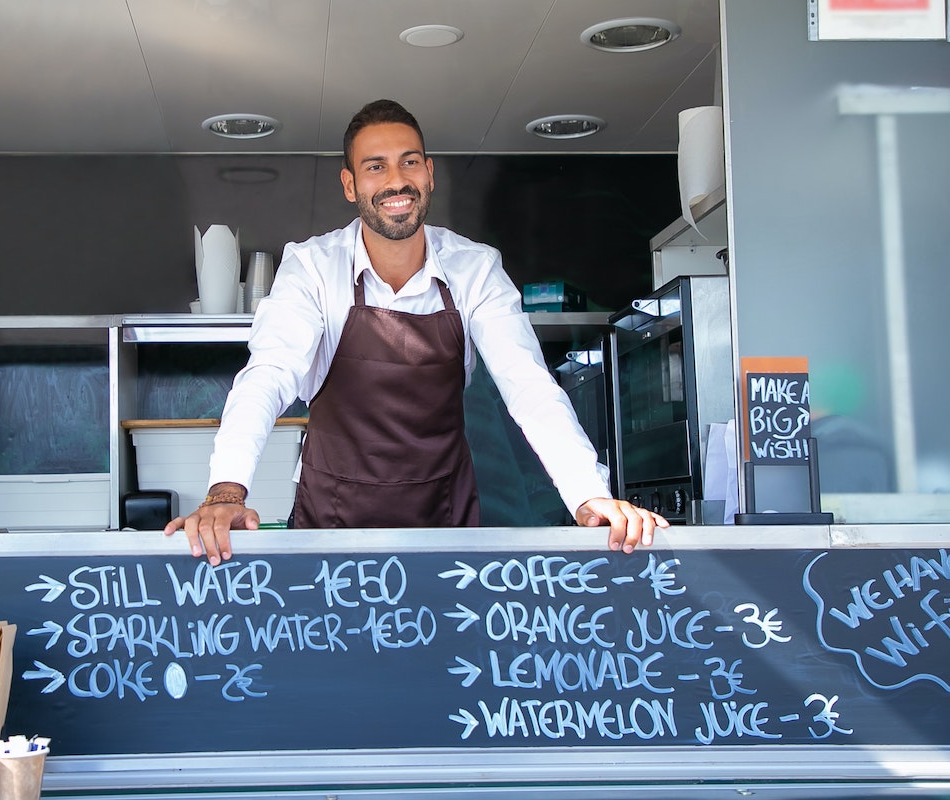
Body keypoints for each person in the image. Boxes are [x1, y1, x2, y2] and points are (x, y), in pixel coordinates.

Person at [166, 99, 668, 564]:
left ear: (429, 174)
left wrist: (588, 494)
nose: (396, 180)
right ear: (350, 185)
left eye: (410, 162)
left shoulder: (475, 269)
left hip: (445, 526)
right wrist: (227, 491)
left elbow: (528, 385)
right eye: (375, 166)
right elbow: (268, 376)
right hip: (331, 526)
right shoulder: (312, 268)